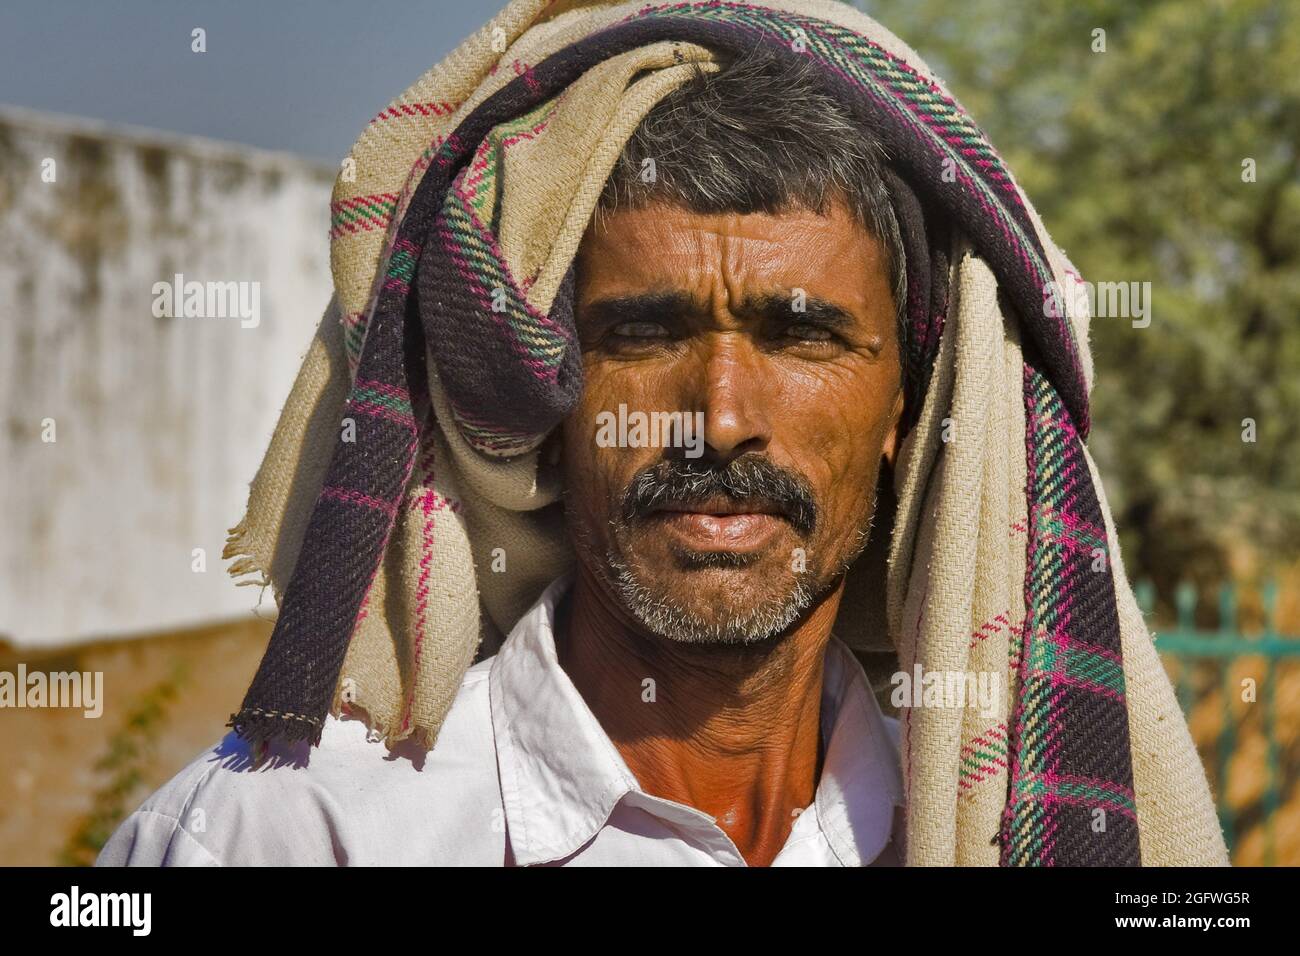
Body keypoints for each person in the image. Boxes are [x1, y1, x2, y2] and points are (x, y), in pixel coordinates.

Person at [98, 0, 1227, 867]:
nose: (720, 417)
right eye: (644, 334)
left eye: (802, 337)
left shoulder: (969, 835)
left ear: (905, 410)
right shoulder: (289, 838)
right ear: (552, 401)